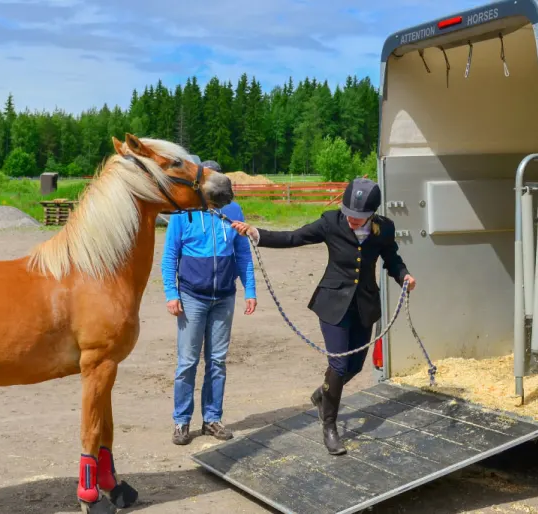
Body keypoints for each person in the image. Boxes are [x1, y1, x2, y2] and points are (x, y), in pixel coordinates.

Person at [231, 177, 416, 455]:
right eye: (350, 215)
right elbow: (294, 236)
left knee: (354, 367)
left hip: (364, 305)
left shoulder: (384, 229)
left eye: (359, 217)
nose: (352, 220)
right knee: (339, 365)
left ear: (372, 214)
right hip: (332, 304)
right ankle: (330, 425)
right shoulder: (331, 222)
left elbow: (391, 259)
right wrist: (257, 233)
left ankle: (322, 395)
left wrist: (404, 276)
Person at [162, 159, 257, 446]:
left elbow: (242, 253)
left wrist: (249, 289)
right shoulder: (183, 213)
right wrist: (171, 293)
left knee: (217, 361)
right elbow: (169, 256)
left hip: (224, 296)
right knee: (187, 362)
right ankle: (181, 421)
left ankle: (212, 419)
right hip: (192, 297)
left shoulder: (233, 210)